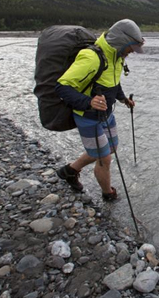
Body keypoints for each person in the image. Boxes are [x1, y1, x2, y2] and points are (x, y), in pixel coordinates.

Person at [54, 19, 144, 201]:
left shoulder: (117, 57)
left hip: (107, 114)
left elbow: (113, 83)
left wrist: (123, 99)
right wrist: (89, 102)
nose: (132, 52)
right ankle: (108, 194)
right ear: (121, 41)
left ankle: (69, 170)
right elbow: (62, 87)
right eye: (131, 48)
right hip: (88, 117)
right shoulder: (91, 58)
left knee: (110, 148)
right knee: (104, 158)